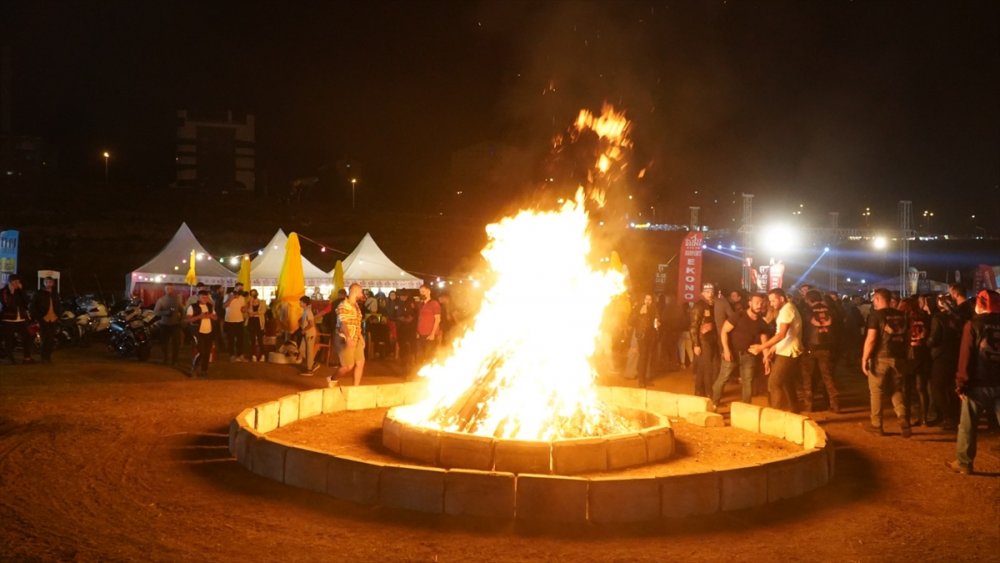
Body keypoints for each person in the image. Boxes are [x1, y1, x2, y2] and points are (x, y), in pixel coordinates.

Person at [946, 290, 1000, 475]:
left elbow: (966, 356)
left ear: (981, 304)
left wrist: (961, 382)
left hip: (977, 384)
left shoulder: (973, 325)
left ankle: (964, 463)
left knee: (968, 426)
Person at [861, 288, 911, 437]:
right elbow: (908, 337)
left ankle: (877, 425)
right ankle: (902, 417)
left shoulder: (876, 315)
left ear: (877, 299)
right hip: (899, 358)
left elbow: (871, 339)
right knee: (896, 389)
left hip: (880, 358)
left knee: (876, 391)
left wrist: (864, 358)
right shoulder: (903, 315)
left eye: (874, 299)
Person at [712, 292, 769, 406]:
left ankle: (745, 407)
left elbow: (764, 342)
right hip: (732, 353)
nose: (759, 305)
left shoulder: (762, 322)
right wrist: (726, 350)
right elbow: (724, 331)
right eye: (756, 303)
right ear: (750, 303)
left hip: (749, 356)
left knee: (747, 382)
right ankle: (714, 403)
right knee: (723, 378)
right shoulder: (738, 315)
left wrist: (766, 359)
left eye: (761, 303)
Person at [753, 288, 804, 412]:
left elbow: (781, 334)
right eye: (770, 301)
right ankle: (794, 410)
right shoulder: (785, 309)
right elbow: (783, 335)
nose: (771, 303)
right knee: (787, 382)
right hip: (786, 350)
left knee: (774, 383)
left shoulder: (787, 310)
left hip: (788, 352)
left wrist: (762, 347)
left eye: (773, 300)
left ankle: (776, 413)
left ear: (781, 298)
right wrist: (772, 349)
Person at [801, 289, 841, 413]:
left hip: (810, 348)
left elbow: (803, 329)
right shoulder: (832, 311)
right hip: (827, 348)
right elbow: (838, 328)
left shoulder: (806, 311)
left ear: (808, 300)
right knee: (828, 377)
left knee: (808, 378)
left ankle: (809, 406)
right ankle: (835, 405)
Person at [928, 294, 963, 430]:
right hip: (956, 356)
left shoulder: (938, 318)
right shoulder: (958, 318)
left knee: (936, 388)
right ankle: (955, 416)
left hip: (941, 356)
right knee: (951, 388)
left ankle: (948, 416)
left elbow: (934, 339)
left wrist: (927, 341)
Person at [901, 296, 933, 425]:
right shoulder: (926, 318)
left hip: (908, 355)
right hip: (923, 354)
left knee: (906, 388)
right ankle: (924, 418)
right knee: (921, 388)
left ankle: (906, 418)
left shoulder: (905, 318)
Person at [331, 283, 366, 386]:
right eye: (360, 291)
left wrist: (360, 337)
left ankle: (356, 388)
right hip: (344, 338)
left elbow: (356, 324)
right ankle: (333, 378)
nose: (362, 294)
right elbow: (343, 324)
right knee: (348, 366)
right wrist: (348, 338)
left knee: (360, 362)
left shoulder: (356, 306)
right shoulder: (343, 305)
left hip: (355, 337)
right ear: (354, 291)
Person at [690, 282, 720, 398]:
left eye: (711, 292)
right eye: (707, 292)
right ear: (702, 293)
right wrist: (696, 344)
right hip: (703, 341)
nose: (710, 294)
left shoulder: (711, 305)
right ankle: (709, 394)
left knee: (703, 368)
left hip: (711, 339)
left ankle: (698, 391)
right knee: (708, 368)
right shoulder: (699, 306)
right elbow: (693, 326)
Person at [0, 275, 33, 364]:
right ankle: (10, 358)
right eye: (15, 282)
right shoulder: (4, 291)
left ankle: (27, 358)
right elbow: (8, 304)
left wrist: (21, 291)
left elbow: (26, 302)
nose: (17, 284)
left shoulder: (19, 291)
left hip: (21, 319)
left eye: (18, 282)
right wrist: (12, 293)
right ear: (10, 282)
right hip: (8, 319)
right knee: (9, 339)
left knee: (27, 336)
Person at [30, 275, 62, 363]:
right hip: (44, 318)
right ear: (43, 283)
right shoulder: (39, 293)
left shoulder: (55, 293)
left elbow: (58, 305)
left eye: (50, 282)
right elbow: (33, 306)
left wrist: (58, 315)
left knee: (51, 339)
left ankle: (48, 356)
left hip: (53, 318)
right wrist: (39, 317)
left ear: (53, 283)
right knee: (45, 338)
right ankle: (43, 357)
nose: (48, 284)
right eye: (47, 282)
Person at [631, 293, 660, 387]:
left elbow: (656, 319)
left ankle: (645, 378)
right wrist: (639, 314)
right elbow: (630, 320)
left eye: (650, 299)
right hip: (642, 336)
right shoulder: (638, 308)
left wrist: (657, 323)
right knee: (643, 356)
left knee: (648, 357)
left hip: (650, 336)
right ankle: (641, 380)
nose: (648, 301)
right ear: (643, 300)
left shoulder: (653, 309)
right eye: (646, 299)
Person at [186, 289, 217, 378]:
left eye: (206, 297)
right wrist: (200, 316)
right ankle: (194, 368)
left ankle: (204, 370)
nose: (205, 299)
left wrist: (211, 316)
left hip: (209, 332)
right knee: (201, 351)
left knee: (207, 351)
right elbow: (188, 320)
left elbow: (215, 317)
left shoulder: (210, 306)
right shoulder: (192, 307)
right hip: (198, 332)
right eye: (203, 297)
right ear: (198, 297)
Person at [152, 285, 185, 367]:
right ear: (165, 289)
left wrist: (181, 320)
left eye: (171, 288)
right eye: (167, 288)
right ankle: (165, 359)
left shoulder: (177, 300)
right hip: (164, 324)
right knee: (164, 343)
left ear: (173, 289)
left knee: (176, 344)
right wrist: (165, 312)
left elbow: (183, 311)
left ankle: (174, 360)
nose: (169, 290)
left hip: (175, 324)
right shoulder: (161, 300)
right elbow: (156, 312)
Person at [415, 284, 441, 368]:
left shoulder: (434, 304)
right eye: (420, 292)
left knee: (429, 356)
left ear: (429, 291)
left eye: (423, 291)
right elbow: (419, 319)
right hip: (421, 334)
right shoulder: (421, 304)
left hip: (430, 335)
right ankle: (419, 374)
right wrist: (418, 332)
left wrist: (433, 333)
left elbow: (437, 319)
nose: (421, 293)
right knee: (419, 355)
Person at [223, 284, 247, 361]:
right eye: (239, 288)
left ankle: (240, 355)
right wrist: (231, 298)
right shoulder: (228, 295)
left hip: (239, 321)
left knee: (240, 339)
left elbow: (243, 309)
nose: (241, 290)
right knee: (231, 339)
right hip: (230, 321)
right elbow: (224, 306)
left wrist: (245, 309)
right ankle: (232, 355)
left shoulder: (242, 298)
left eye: (242, 289)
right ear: (235, 288)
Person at [298, 296, 319, 374]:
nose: (299, 303)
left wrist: (304, 329)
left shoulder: (308, 312)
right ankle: (312, 364)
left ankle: (309, 369)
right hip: (307, 334)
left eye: (300, 302)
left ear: (304, 303)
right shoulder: (306, 311)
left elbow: (311, 324)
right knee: (302, 350)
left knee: (308, 351)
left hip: (309, 334)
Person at [245, 289, 266, 362]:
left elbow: (262, 311)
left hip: (259, 322)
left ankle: (263, 355)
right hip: (251, 322)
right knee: (252, 339)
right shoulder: (248, 303)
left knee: (260, 339)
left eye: (254, 294)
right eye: (252, 294)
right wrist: (250, 303)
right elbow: (248, 312)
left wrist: (253, 313)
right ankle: (253, 355)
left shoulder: (262, 302)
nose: (253, 296)